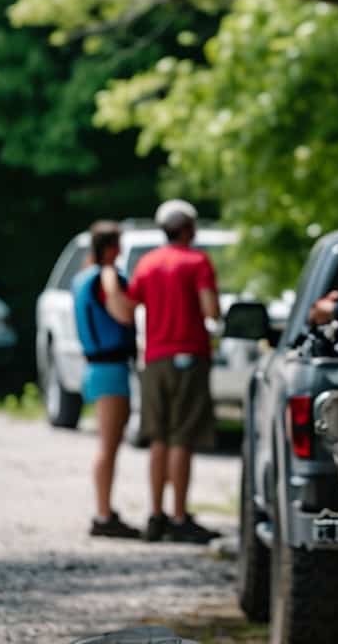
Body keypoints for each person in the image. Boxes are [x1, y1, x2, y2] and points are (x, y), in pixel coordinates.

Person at [104, 199, 221, 544]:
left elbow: (126, 310)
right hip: (190, 358)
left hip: (154, 360)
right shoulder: (198, 261)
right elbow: (211, 310)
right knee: (182, 437)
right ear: (189, 229)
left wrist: (111, 282)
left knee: (158, 437)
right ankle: (180, 516)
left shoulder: (148, 263)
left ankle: (156, 514)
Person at [71, 220, 140, 539]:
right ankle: (103, 513)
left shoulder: (82, 278)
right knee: (109, 445)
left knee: (108, 443)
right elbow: (122, 314)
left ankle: (105, 510)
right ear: (112, 248)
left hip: (96, 367)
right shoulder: (106, 277)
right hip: (110, 369)